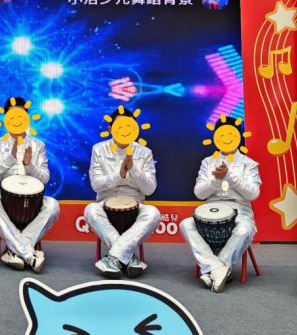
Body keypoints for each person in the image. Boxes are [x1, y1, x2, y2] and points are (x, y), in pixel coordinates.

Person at [179, 114, 260, 293]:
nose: (226, 138)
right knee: (185, 224)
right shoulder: (208, 163)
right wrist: (216, 180)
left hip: (240, 211)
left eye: (230, 134)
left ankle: (214, 268)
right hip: (210, 210)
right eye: (221, 134)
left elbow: (253, 194)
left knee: (243, 230)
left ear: (238, 137)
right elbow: (199, 193)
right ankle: (219, 268)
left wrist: (229, 176)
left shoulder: (248, 164)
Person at [0, 96, 59, 273]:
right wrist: (10, 157)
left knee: (53, 205)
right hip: (5, 202)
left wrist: (29, 165)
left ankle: (14, 250)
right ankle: (28, 253)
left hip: (33, 203)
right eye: (12, 116)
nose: (16, 120)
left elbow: (45, 178)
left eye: (20, 115)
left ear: (26, 118)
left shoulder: (38, 145)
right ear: (5, 119)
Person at [85, 106, 160, 278]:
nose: (125, 130)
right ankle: (128, 258)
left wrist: (133, 169)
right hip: (105, 204)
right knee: (90, 210)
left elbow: (150, 189)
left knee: (153, 213)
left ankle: (113, 258)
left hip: (135, 205)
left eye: (129, 126)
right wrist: (119, 175)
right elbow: (96, 185)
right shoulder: (99, 149)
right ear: (110, 128)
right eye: (120, 126)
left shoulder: (145, 152)